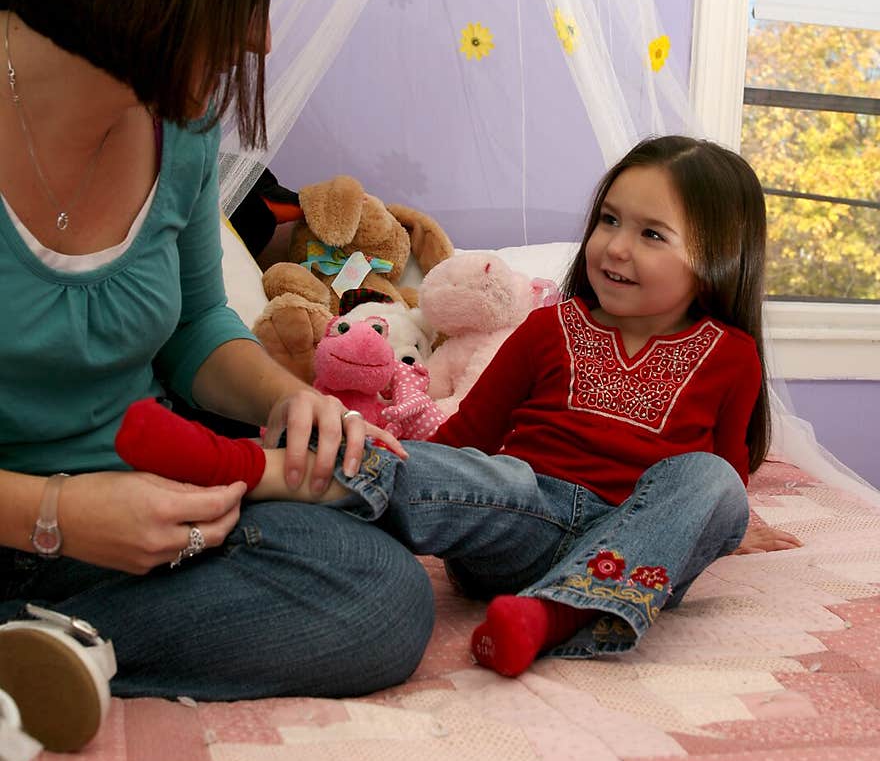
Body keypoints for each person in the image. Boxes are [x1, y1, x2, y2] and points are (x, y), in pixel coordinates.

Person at [0, 0, 436, 749]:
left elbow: (200, 326)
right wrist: (55, 514)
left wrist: (283, 400)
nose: (261, 38)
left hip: (129, 515)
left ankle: (40, 651)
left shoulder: (182, 127)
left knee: (382, 599)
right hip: (36, 515)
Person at [116, 134, 801, 680]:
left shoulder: (731, 353)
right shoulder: (547, 327)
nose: (616, 246)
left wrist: (724, 520)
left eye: (653, 234)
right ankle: (233, 462)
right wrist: (414, 459)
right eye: (610, 221)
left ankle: (550, 618)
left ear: (718, 257)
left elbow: (718, 472)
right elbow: (467, 438)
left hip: (631, 550)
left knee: (714, 486)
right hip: (519, 521)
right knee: (464, 470)